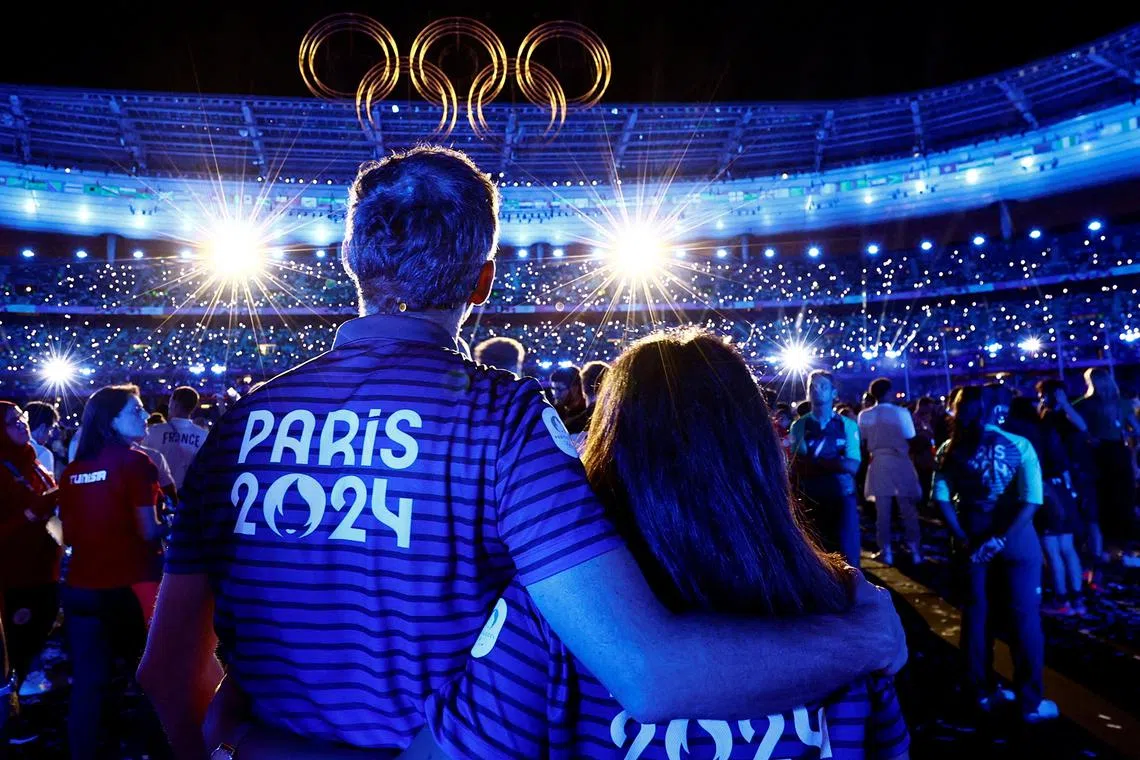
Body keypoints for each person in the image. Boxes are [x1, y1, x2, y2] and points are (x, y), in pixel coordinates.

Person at [140, 146, 905, 760]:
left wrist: (235, 739)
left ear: (350, 259)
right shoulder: (501, 422)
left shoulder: (239, 424)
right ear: (484, 279)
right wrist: (863, 636)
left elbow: (167, 674)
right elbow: (645, 670)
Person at [208, 331, 911, 760]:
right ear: (762, 446)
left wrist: (246, 739)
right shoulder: (852, 608)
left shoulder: (554, 614)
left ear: (608, 446)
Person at [932, 385, 1057, 723]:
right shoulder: (1019, 445)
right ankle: (1030, 702)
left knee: (976, 617)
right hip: (1016, 540)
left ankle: (980, 692)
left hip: (970, 539)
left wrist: (963, 537)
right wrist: (1000, 539)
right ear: (993, 410)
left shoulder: (949, 449)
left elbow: (940, 498)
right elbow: (1031, 499)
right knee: (1025, 618)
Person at [59, 385, 166, 759]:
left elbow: (66, 532)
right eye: (135, 410)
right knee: (154, 678)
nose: (144, 416)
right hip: (131, 585)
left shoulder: (73, 470)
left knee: (88, 684)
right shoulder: (137, 463)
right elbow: (148, 530)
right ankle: (147, 750)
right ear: (111, 421)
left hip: (81, 588)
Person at [0, 402, 63, 705]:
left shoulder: (34, 462)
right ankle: (14, 711)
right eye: (12, 421)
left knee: (41, 625)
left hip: (45, 565)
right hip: (16, 572)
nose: (22, 424)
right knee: (19, 640)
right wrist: (28, 514)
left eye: (22, 418)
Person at [1004, 396, 1084, 616]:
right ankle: (1078, 600)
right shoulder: (1046, 428)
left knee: (1051, 551)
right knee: (1068, 548)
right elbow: (1062, 460)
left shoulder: (1015, 433)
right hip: (1060, 489)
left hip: (1041, 490)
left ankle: (1062, 600)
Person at [790, 370, 863, 567]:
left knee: (847, 555)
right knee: (815, 556)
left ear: (833, 393)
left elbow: (853, 466)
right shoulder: (799, 425)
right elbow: (798, 465)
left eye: (823, 386)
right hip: (810, 497)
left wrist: (816, 463)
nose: (816, 390)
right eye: (812, 386)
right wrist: (835, 463)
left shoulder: (846, 425)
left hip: (841, 496)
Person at [1037, 378, 1103, 575]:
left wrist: (1064, 404)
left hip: (1078, 471)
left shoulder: (1068, 413)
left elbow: (1082, 427)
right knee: (1073, 522)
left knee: (1089, 518)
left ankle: (1093, 564)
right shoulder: (1047, 415)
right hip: (1065, 472)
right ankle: (1084, 565)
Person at [858, 378, 923, 564]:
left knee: (882, 510)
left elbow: (863, 439)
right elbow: (910, 435)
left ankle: (885, 550)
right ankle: (915, 549)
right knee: (908, 508)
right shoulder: (901, 412)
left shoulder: (865, 415)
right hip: (901, 461)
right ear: (888, 392)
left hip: (878, 462)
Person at [1073, 368, 1137, 544]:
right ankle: (1126, 536)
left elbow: (1077, 422)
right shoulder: (1122, 402)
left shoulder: (1087, 403)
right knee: (1124, 494)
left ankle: (1107, 540)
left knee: (1103, 495)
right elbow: (1136, 429)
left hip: (1099, 452)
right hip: (1119, 450)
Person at [142, 386, 208, 490]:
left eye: (170, 401)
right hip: (190, 495)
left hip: (161, 494)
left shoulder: (153, 431)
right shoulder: (203, 436)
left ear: (174, 404)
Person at [549, 364, 588, 434]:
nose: (555, 395)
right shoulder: (555, 412)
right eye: (553, 389)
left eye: (559, 389)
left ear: (575, 388)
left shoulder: (587, 415)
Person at [24, 401, 60, 475]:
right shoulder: (43, 453)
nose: (50, 435)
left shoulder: (9, 448)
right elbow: (47, 485)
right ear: (42, 428)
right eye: (50, 429)